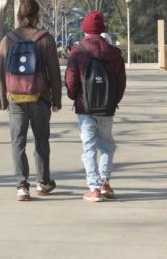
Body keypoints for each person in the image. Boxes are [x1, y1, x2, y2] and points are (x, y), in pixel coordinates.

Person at [0, 0, 62, 201]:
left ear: (19, 16)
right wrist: (56, 99)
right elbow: (54, 72)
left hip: (15, 98)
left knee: (18, 142)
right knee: (41, 140)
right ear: (36, 16)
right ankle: (42, 182)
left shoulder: (7, 40)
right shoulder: (45, 39)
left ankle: (22, 186)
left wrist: (3, 100)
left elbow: (0, 73)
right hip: (40, 97)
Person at [66, 11, 127, 202]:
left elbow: (70, 79)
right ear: (102, 29)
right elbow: (121, 82)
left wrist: (73, 96)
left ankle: (94, 189)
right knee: (107, 145)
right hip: (106, 107)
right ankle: (105, 183)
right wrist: (113, 100)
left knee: (89, 147)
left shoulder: (77, 52)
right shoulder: (114, 54)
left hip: (85, 107)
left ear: (84, 29)